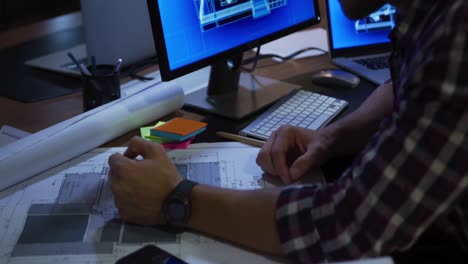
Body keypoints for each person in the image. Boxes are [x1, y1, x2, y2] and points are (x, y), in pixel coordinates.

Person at [108, 0, 468, 263]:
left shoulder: (458, 32)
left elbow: (346, 221)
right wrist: (333, 137)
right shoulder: (434, 20)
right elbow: (406, 85)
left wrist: (176, 199)